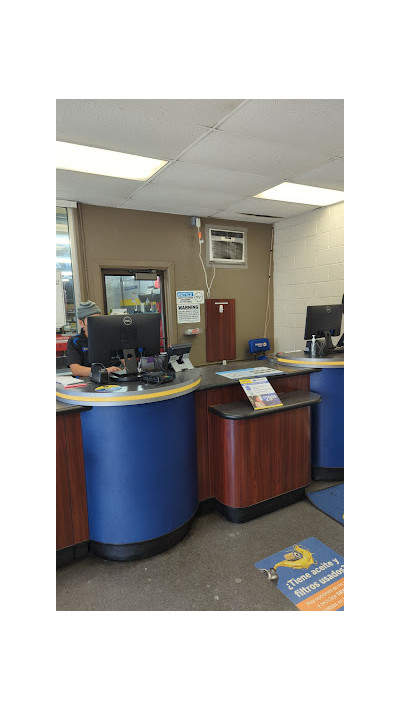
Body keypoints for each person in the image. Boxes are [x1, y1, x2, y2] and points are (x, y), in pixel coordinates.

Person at [66, 300, 122, 377]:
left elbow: (125, 361)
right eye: (92, 321)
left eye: (98, 320)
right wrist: (105, 371)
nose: (96, 324)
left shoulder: (110, 338)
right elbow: (76, 370)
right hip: (87, 381)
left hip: (113, 379)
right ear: (82, 323)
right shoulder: (75, 341)